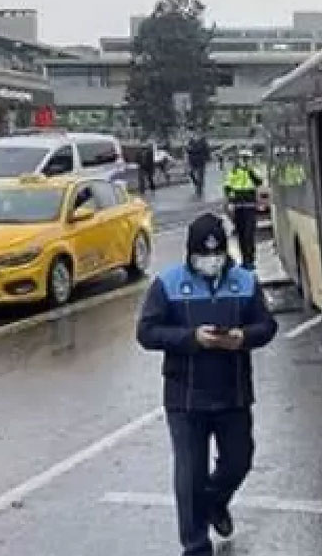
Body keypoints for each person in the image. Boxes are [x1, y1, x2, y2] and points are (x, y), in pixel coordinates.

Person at [136, 214, 278, 556]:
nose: (210, 261)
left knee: (238, 460)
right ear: (190, 254)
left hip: (233, 393)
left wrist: (243, 337)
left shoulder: (244, 281)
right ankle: (196, 545)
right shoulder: (168, 285)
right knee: (189, 474)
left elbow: (267, 326)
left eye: (216, 254)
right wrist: (191, 338)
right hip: (185, 397)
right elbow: (147, 333)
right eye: (203, 255)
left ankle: (215, 500)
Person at [223, 150, 263, 268]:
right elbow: (227, 187)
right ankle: (245, 259)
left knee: (249, 234)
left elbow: (259, 182)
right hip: (238, 207)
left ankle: (250, 259)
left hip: (250, 206)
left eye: (247, 158)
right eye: (243, 158)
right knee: (241, 234)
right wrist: (229, 202)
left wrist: (250, 171)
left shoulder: (253, 170)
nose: (245, 160)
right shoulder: (234, 172)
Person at [186, 133, 211, 199]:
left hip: (201, 161)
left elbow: (207, 151)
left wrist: (207, 159)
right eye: (195, 135)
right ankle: (197, 184)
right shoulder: (191, 141)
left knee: (200, 176)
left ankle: (199, 190)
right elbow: (188, 151)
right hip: (192, 161)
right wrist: (188, 149)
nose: (196, 136)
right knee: (191, 173)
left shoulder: (203, 142)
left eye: (197, 135)